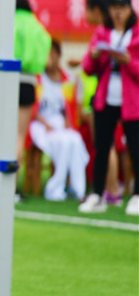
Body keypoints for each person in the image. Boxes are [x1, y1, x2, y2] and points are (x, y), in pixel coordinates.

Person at [0, 0, 51, 201]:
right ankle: (9, 189)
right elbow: (46, 59)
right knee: (18, 136)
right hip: (27, 81)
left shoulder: (0, 23)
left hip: (3, 80)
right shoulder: (37, 27)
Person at [79, 0, 139, 215]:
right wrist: (94, 56)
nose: (117, 13)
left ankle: (136, 196)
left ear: (129, 10)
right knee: (102, 147)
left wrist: (128, 61)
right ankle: (97, 194)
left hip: (132, 101)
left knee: (135, 148)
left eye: (121, 9)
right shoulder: (102, 33)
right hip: (105, 98)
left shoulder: (136, 34)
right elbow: (87, 68)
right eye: (113, 9)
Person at [68, 0, 122, 203]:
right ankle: (110, 190)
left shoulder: (104, 34)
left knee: (104, 144)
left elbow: (96, 65)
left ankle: (111, 191)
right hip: (101, 94)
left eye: (87, 10)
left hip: (98, 96)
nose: (85, 14)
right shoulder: (106, 34)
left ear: (97, 11)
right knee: (105, 144)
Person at [29, 40, 89, 201]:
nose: (49, 58)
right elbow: (30, 110)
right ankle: (54, 189)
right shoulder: (35, 79)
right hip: (40, 125)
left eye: (52, 53)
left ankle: (79, 189)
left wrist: (68, 122)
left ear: (58, 55)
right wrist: (46, 124)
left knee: (75, 140)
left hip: (60, 125)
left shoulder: (68, 79)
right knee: (63, 142)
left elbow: (71, 108)